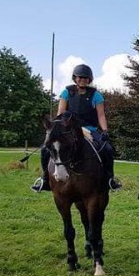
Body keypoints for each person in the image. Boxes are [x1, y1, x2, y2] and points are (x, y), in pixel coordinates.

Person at [32, 64, 121, 192]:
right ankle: (45, 179)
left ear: (89, 79)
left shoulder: (96, 95)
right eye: (80, 77)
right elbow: (61, 113)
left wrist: (105, 130)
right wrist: (57, 129)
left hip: (90, 129)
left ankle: (110, 179)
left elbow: (101, 115)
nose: (83, 80)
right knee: (45, 150)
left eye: (85, 78)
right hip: (69, 128)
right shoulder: (66, 92)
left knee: (106, 148)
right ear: (75, 78)